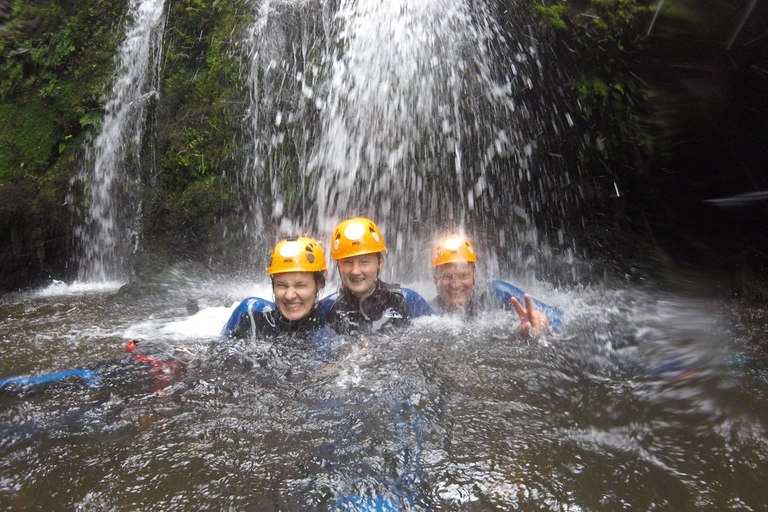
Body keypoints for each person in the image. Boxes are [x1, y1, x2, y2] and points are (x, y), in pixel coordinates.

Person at [430, 235, 550, 336]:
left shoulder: (497, 294)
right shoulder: (428, 312)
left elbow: (560, 319)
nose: (455, 285)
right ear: (435, 278)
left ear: (474, 276)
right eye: (447, 276)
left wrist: (540, 322)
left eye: (463, 275)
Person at [229, 236, 328, 339]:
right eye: (281, 285)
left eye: (300, 286)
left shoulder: (331, 326)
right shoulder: (250, 317)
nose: (289, 296)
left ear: (319, 284)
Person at [325, 217, 410, 334]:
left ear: (380, 262)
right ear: (339, 266)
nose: (355, 271)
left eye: (364, 261)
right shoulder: (331, 309)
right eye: (347, 262)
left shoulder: (402, 300)